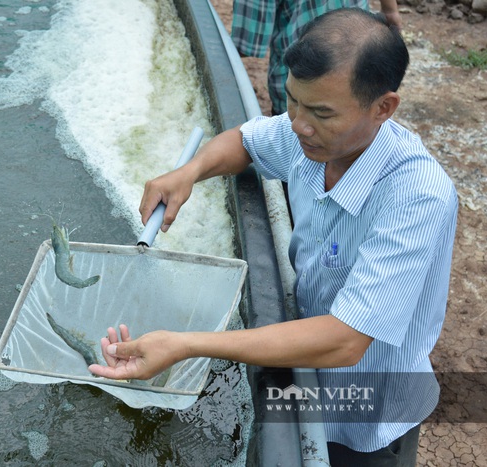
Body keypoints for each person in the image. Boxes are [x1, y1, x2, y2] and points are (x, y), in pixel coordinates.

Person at [89, 8, 458, 466]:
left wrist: (187, 343)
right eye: (293, 100)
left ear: (383, 107)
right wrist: (190, 171)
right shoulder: (311, 137)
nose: (300, 123)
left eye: (321, 112)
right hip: (307, 375)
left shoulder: (416, 197)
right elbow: (245, 140)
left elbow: (346, 340)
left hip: (368, 408)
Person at [231, 0, 402, 115]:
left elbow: (248, 42)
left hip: (301, 90)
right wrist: (390, 9)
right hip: (361, 81)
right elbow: (390, 15)